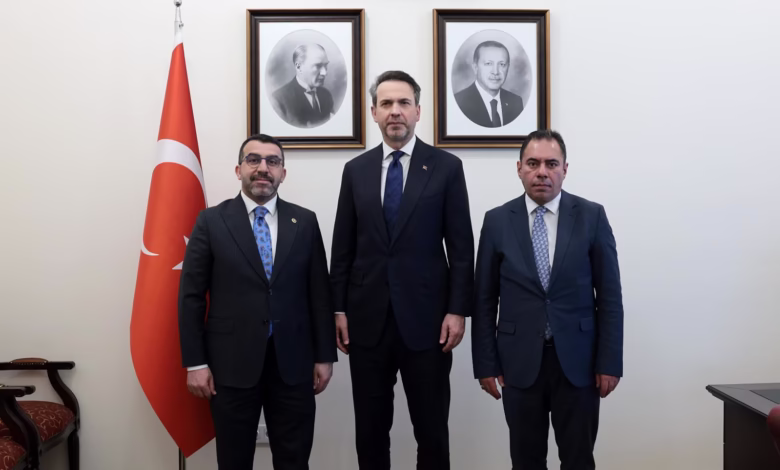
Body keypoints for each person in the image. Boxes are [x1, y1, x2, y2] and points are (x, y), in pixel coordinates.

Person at [330, 70, 474, 469]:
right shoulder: (355, 170)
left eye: (404, 103)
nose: (395, 111)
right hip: (366, 322)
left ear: (418, 111)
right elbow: (342, 249)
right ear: (374, 112)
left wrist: (457, 310)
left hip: (428, 323)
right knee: (370, 431)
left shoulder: (446, 167)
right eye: (387, 103)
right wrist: (338, 309)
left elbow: (462, 249)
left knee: (432, 430)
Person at [178, 134, 337, 470]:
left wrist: (325, 355)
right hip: (229, 366)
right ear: (239, 170)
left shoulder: (305, 222)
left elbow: (319, 294)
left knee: (294, 460)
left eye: (273, 161)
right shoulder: (211, 222)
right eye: (254, 160)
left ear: (283, 173)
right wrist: (195, 363)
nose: (263, 168)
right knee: (234, 461)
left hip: (294, 365)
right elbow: (191, 297)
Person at [471, 129, 624, 470]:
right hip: (518, 363)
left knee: (579, 459)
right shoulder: (497, 221)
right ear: (519, 168)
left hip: (579, 364)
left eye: (551, 164)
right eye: (533, 163)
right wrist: (485, 364)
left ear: (565, 169)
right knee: (526, 461)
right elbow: (484, 300)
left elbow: (610, 297)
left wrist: (610, 362)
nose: (542, 172)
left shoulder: (591, 216)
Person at [454, 40, 524, 128]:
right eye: (488, 64)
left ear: (508, 67)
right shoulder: (459, 103)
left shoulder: (516, 102)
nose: (495, 72)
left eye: (502, 64)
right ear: (475, 67)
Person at [271, 44, 334, 128]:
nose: (324, 73)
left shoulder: (326, 95)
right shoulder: (278, 99)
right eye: (318, 66)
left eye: (326, 65)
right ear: (299, 67)